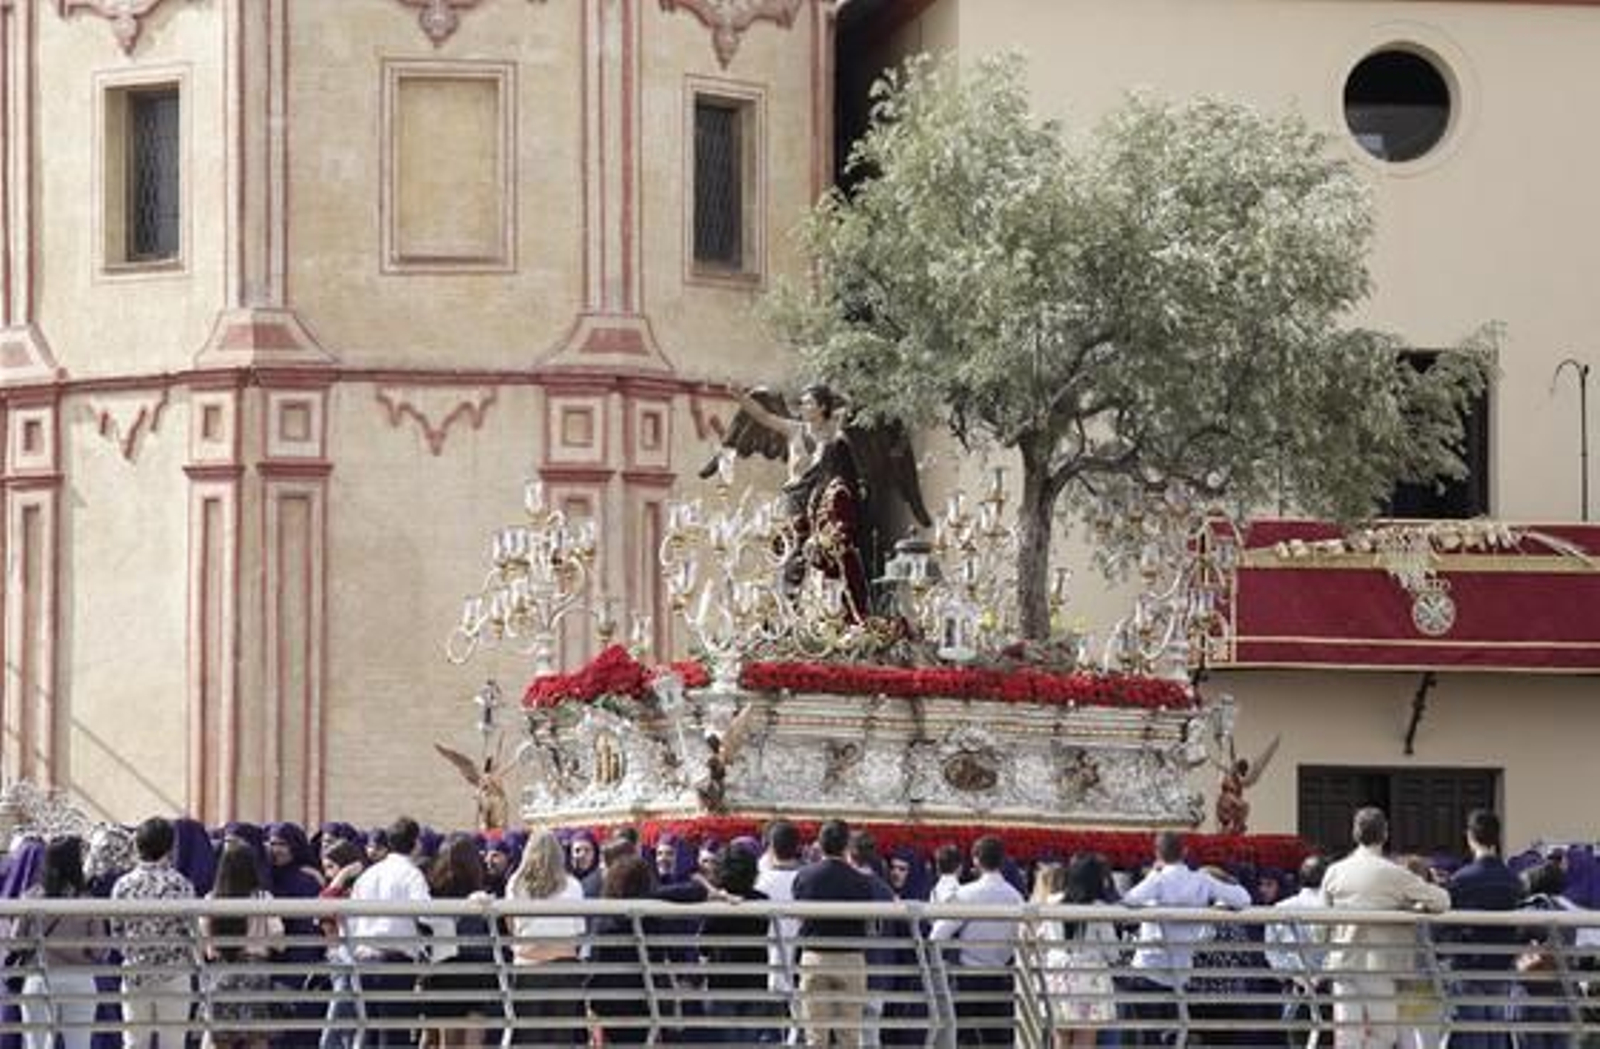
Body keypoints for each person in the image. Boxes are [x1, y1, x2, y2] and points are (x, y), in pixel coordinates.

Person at [733, 383, 869, 617]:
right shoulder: (794, 430)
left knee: (822, 552)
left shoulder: (835, 437)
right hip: (795, 499)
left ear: (822, 407)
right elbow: (763, 416)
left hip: (820, 502)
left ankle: (825, 609)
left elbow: (844, 474)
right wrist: (740, 397)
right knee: (792, 552)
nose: (802, 407)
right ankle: (789, 607)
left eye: (808, 403)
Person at [1321, 807, 1450, 1049]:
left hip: (1342, 962)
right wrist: (1415, 908)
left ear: (1354, 833)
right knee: (1384, 1034)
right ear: (1385, 834)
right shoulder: (1394, 873)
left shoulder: (1334, 872)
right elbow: (1442, 900)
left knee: (1347, 1036)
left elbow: (1321, 923)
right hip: (1380, 963)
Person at [1118, 830, 1251, 1046]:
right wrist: (1218, 907)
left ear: (1157, 853)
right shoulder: (1202, 880)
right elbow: (1244, 899)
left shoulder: (1158, 880)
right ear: (1185, 852)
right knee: (1174, 1038)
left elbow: (1129, 900)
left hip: (1148, 970)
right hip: (1179, 974)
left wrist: (1153, 874)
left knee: (1147, 1039)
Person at [111, 816, 198, 1049]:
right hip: (174, 972)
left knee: (134, 1042)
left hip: (135, 971)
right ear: (170, 847)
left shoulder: (123, 885)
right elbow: (192, 930)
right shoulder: (181, 884)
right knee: (173, 1042)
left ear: (138, 845)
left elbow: (116, 929)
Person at [11, 836, 105, 1049]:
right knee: (79, 1044)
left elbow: (16, 943)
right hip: (79, 980)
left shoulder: (31, 898)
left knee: (36, 1044)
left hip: (40, 977)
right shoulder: (87, 903)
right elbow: (99, 951)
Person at [930, 835, 1026, 1046]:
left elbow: (937, 935)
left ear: (975, 860)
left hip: (967, 978)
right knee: (998, 1041)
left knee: (964, 1039)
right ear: (1002, 860)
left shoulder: (966, 894)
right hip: (1001, 977)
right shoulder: (1016, 897)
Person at [792, 819, 880, 1047]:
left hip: (814, 955)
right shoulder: (861, 881)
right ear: (846, 846)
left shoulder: (805, 876)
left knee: (815, 1035)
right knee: (849, 1036)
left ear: (820, 844)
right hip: (851, 958)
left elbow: (799, 915)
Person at [347, 815, 432, 1047]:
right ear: (415, 843)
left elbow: (352, 921)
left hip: (364, 959)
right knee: (394, 1036)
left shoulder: (368, 874)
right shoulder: (411, 874)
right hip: (395, 960)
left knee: (368, 1033)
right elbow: (426, 914)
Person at [1446, 809, 1524, 1049]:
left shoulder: (1461, 879)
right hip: (1503, 966)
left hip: (1469, 967)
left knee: (1474, 1036)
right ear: (1497, 838)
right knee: (1499, 1036)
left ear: (1470, 837)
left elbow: (1447, 928)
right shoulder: (1514, 880)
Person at [200, 838, 285, 1049]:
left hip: (221, 973)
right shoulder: (263, 899)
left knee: (219, 1040)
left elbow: (205, 945)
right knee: (256, 1039)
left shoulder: (211, 900)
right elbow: (279, 938)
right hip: (255, 974)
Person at [504, 831, 586, 1045]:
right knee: (562, 1036)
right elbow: (578, 929)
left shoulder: (516, 883)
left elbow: (511, 926)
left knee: (529, 1036)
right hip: (565, 964)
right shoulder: (573, 885)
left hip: (529, 963)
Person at [418, 834, 497, 1047]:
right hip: (478, 968)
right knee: (473, 1040)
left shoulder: (432, 890)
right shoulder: (482, 891)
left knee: (448, 1042)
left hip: (445, 967)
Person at [1033, 855, 1118, 1049]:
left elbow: (1040, 936)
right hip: (1089, 976)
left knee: (1060, 1038)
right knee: (1085, 1039)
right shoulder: (1099, 909)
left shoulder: (1052, 902)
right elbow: (1112, 951)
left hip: (1057, 973)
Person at [700, 846, 777, 1042]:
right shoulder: (763, 901)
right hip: (755, 978)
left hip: (723, 981)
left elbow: (704, 943)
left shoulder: (717, 903)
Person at [1265, 854, 1331, 1048]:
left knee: (1297, 1041)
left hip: (1295, 989)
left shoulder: (1280, 909)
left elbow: (1272, 954)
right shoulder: (1336, 908)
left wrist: (1296, 977)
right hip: (1332, 988)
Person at [755, 819, 806, 1042]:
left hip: (770, 961)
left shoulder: (761, 881)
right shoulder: (806, 879)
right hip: (800, 961)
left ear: (771, 846)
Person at [316, 839, 367, 1049]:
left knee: (335, 1028)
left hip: (353, 963)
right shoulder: (335, 889)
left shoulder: (361, 888)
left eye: (331, 867)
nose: (328, 874)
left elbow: (325, 906)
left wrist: (344, 874)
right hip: (339, 962)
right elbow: (322, 911)